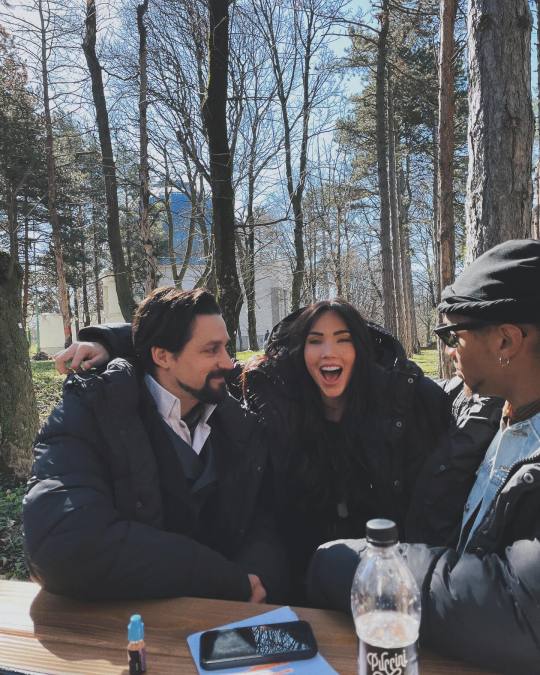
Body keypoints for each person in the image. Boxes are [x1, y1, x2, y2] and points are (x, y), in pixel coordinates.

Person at [56, 300, 498, 603]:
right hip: (299, 589)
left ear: (361, 349)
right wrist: (110, 342)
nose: (329, 351)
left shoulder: (405, 400)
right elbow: (182, 353)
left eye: (343, 338)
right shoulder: (268, 395)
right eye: (315, 339)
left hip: (392, 588)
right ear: (300, 350)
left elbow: (463, 411)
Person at [307, 239, 540, 673]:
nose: (448, 351)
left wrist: (367, 568)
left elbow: (518, 605)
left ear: (506, 341)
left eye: (453, 336)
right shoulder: (487, 408)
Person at [24, 287, 288, 603]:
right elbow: (61, 545)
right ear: (162, 356)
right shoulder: (90, 413)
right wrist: (225, 581)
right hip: (126, 621)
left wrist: (256, 579)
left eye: (226, 347)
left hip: (231, 614)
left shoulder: (236, 421)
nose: (228, 363)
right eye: (211, 350)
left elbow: (261, 517)